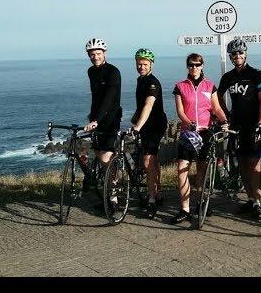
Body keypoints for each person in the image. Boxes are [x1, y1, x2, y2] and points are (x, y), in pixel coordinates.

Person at [170, 53, 228, 224]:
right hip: (188, 133)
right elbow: (180, 112)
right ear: (187, 66)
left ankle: (201, 202)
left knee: (201, 170)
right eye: (190, 65)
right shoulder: (180, 86)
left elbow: (216, 108)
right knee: (182, 169)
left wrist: (224, 120)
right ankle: (185, 209)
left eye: (197, 64)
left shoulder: (210, 86)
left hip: (205, 133)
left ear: (202, 65)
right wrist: (190, 123)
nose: (194, 68)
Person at [217, 38, 261, 221]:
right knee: (243, 165)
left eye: (240, 53)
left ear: (245, 54)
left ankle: (258, 204)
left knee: (255, 165)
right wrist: (225, 114)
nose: (237, 55)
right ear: (230, 57)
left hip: (253, 125)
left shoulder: (256, 74)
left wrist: (260, 123)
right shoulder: (227, 77)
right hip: (236, 125)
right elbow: (218, 95)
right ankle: (251, 199)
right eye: (234, 54)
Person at [130, 48, 168, 219]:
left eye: (145, 64)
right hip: (146, 124)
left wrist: (137, 126)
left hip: (155, 126)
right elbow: (141, 106)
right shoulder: (141, 80)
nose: (141, 66)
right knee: (153, 160)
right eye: (139, 64)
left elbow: (148, 105)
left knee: (147, 161)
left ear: (151, 64)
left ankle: (152, 200)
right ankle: (158, 193)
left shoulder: (153, 83)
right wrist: (135, 119)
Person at [83, 38, 122, 192]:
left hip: (111, 118)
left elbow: (109, 99)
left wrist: (96, 120)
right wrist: (92, 116)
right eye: (92, 54)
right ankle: (106, 192)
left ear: (104, 53)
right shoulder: (91, 71)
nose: (95, 57)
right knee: (99, 154)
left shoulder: (113, 72)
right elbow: (95, 97)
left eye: (98, 53)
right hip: (97, 118)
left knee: (106, 157)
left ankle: (114, 198)